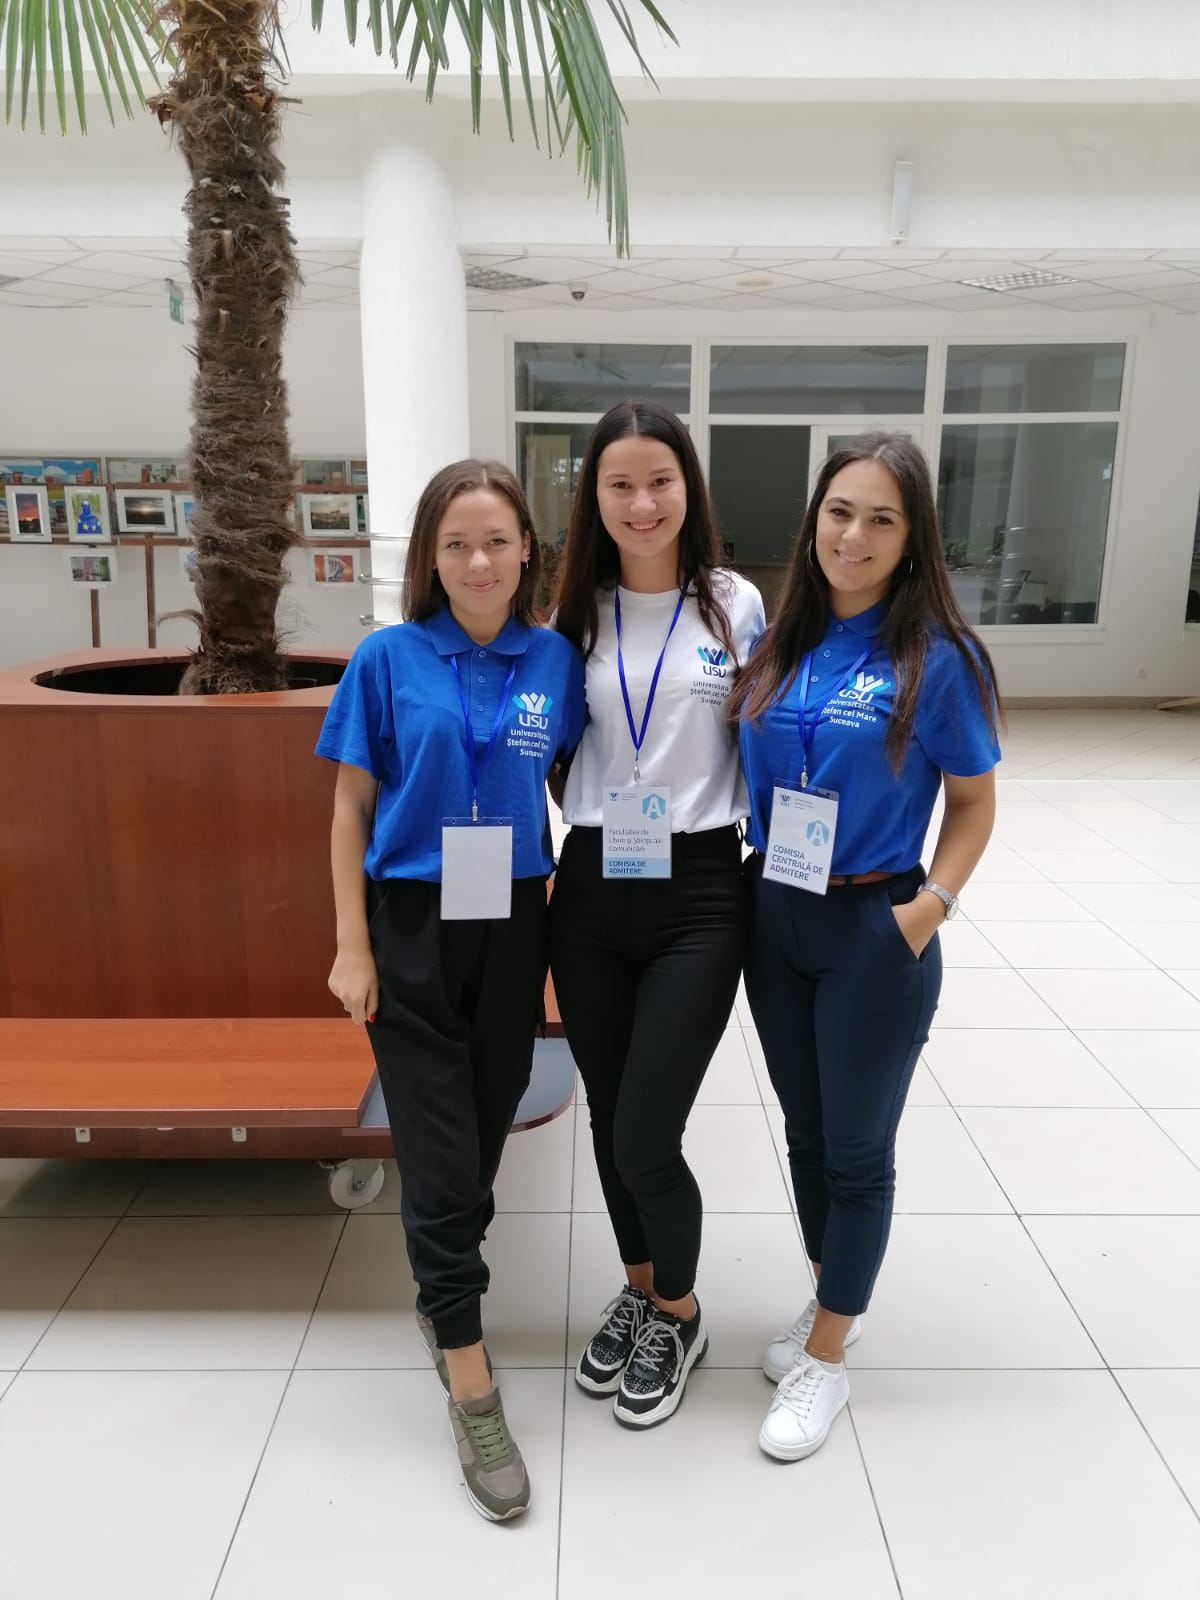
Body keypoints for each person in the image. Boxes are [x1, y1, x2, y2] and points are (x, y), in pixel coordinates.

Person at [316, 459, 585, 1521]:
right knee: (435, 1152)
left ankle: (444, 1285)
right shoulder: (386, 660)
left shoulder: (554, 660)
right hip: (413, 923)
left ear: (527, 552)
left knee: (480, 1130)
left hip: (515, 919)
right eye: (458, 543)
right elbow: (350, 810)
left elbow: (570, 780)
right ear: (431, 556)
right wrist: (353, 946)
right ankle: (471, 1382)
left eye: (498, 541)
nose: (480, 562)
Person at [732, 433, 1002, 1463]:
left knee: (856, 1150)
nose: (854, 534)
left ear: (912, 536)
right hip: (777, 913)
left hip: (875, 926)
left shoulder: (938, 658)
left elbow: (973, 806)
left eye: (882, 518)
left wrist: (925, 911)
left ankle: (827, 1359)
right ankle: (830, 1297)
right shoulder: (782, 641)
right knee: (806, 1134)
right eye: (839, 511)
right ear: (815, 521)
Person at [551, 400, 765, 1428]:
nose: (642, 503)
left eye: (660, 481)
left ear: (689, 487)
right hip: (594, 881)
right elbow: (552, 745)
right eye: (620, 484)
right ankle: (641, 1289)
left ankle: (679, 1314)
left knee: (647, 1128)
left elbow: (772, 734)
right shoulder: (573, 611)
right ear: (593, 496)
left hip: (700, 890)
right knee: (607, 1114)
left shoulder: (735, 604)